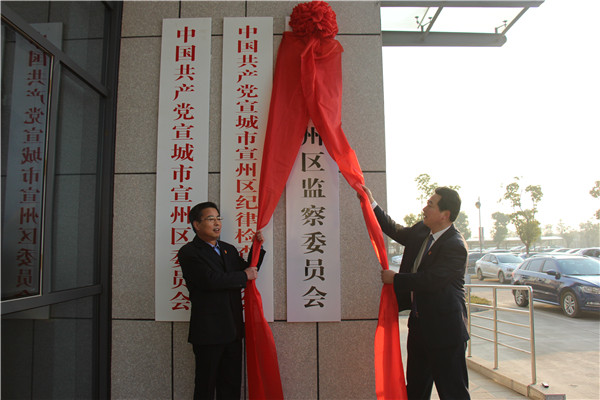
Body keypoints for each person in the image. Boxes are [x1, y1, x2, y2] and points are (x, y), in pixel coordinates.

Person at [362, 185, 470, 400]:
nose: (424, 208)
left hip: (445, 332)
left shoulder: (455, 245)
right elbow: (394, 230)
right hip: (419, 328)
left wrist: (396, 279)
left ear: (445, 215)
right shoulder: (422, 231)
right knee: (415, 390)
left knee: (453, 392)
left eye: (430, 205)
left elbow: (431, 280)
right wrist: (370, 202)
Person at [177, 201, 265, 400]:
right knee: (205, 387)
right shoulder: (189, 252)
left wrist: (257, 248)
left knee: (231, 386)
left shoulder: (228, 249)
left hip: (233, 330)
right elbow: (209, 280)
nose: (217, 223)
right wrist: (244, 275)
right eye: (210, 219)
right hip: (209, 333)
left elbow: (247, 269)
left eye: (218, 218)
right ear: (196, 224)